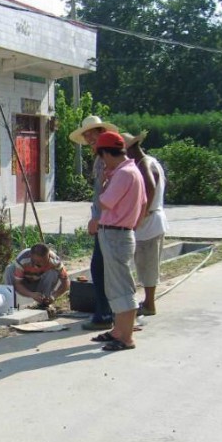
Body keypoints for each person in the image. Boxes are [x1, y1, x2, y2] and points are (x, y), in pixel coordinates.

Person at [91, 131, 146, 351]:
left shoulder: (123, 174)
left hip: (115, 233)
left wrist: (105, 181)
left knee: (122, 286)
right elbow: (143, 205)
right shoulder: (133, 171)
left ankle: (126, 337)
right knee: (115, 285)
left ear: (105, 153)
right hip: (121, 232)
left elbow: (105, 202)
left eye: (101, 156)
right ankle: (118, 331)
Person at [69, 115, 119, 331]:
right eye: (86, 134)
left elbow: (108, 192)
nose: (89, 137)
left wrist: (98, 218)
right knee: (103, 268)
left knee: (100, 268)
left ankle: (105, 314)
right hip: (105, 221)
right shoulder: (100, 160)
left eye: (92, 133)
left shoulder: (106, 161)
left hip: (107, 222)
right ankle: (109, 312)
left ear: (102, 134)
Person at [122, 132, 168, 316]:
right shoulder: (151, 161)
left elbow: (149, 186)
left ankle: (149, 304)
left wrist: (141, 213)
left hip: (149, 222)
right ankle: (147, 301)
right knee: (144, 263)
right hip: (153, 219)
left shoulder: (145, 164)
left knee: (148, 264)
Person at [3, 243, 70, 307]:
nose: (36, 266)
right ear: (30, 255)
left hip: (40, 284)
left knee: (53, 273)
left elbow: (66, 282)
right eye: (34, 262)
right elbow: (18, 284)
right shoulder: (23, 258)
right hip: (24, 284)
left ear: (48, 257)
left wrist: (54, 296)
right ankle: (10, 306)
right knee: (9, 269)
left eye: (41, 263)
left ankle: (45, 301)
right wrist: (31, 294)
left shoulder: (55, 261)